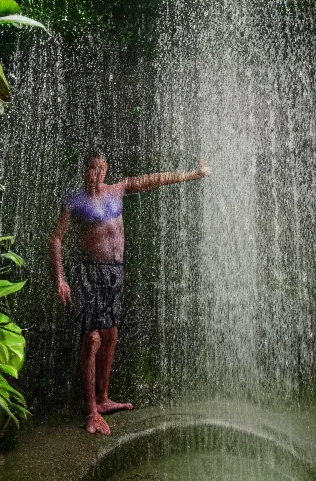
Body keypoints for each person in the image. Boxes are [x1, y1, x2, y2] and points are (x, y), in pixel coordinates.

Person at [48, 149, 210, 435]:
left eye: (100, 168)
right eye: (90, 168)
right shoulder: (75, 201)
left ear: (106, 169)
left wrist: (192, 175)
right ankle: (91, 411)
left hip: (115, 273)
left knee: (110, 335)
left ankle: (103, 398)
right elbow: (56, 238)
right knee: (92, 340)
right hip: (90, 273)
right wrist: (61, 278)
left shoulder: (117, 190)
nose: (95, 174)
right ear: (84, 170)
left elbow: (152, 180)